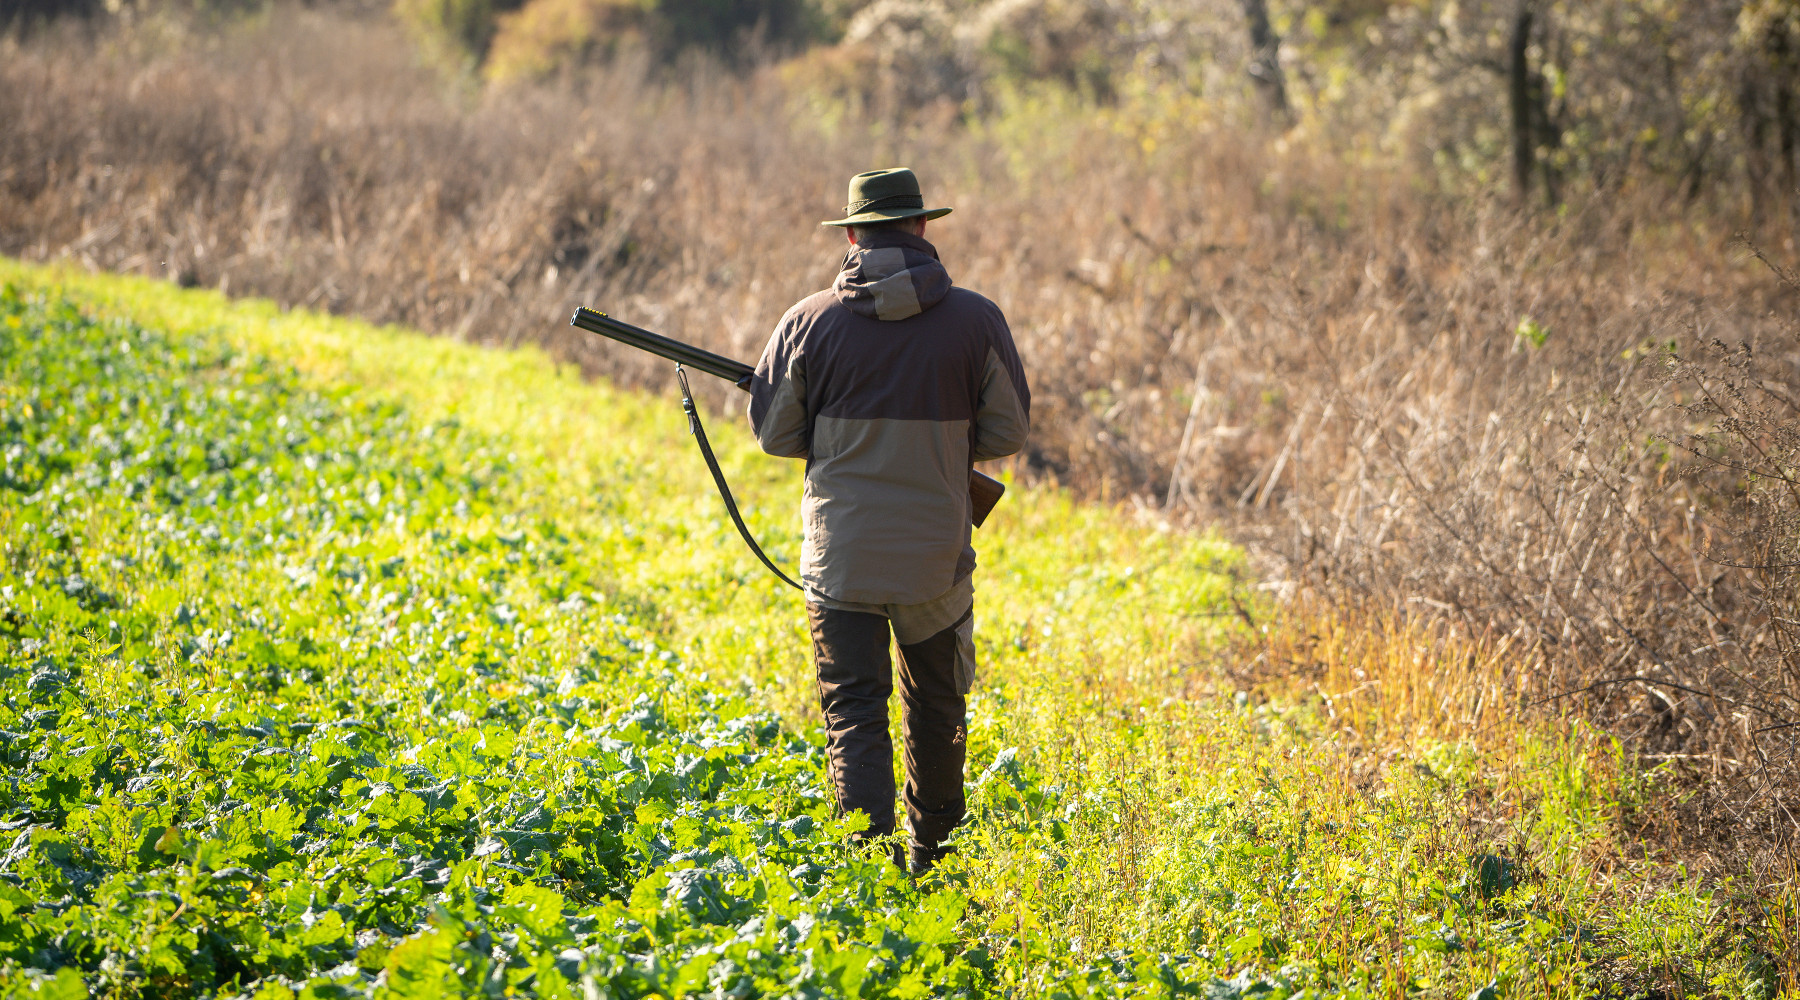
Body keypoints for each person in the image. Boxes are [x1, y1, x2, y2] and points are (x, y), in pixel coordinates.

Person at [746, 167, 1031, 876]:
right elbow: (1006, 432)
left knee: (855, 715)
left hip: (841, 561)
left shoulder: (807, 321)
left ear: (850, 235)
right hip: (935, 559)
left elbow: (776, 437)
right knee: (936, 708)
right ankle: (934, 864)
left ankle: (868, 874)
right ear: (922, 227)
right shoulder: (977, 319)